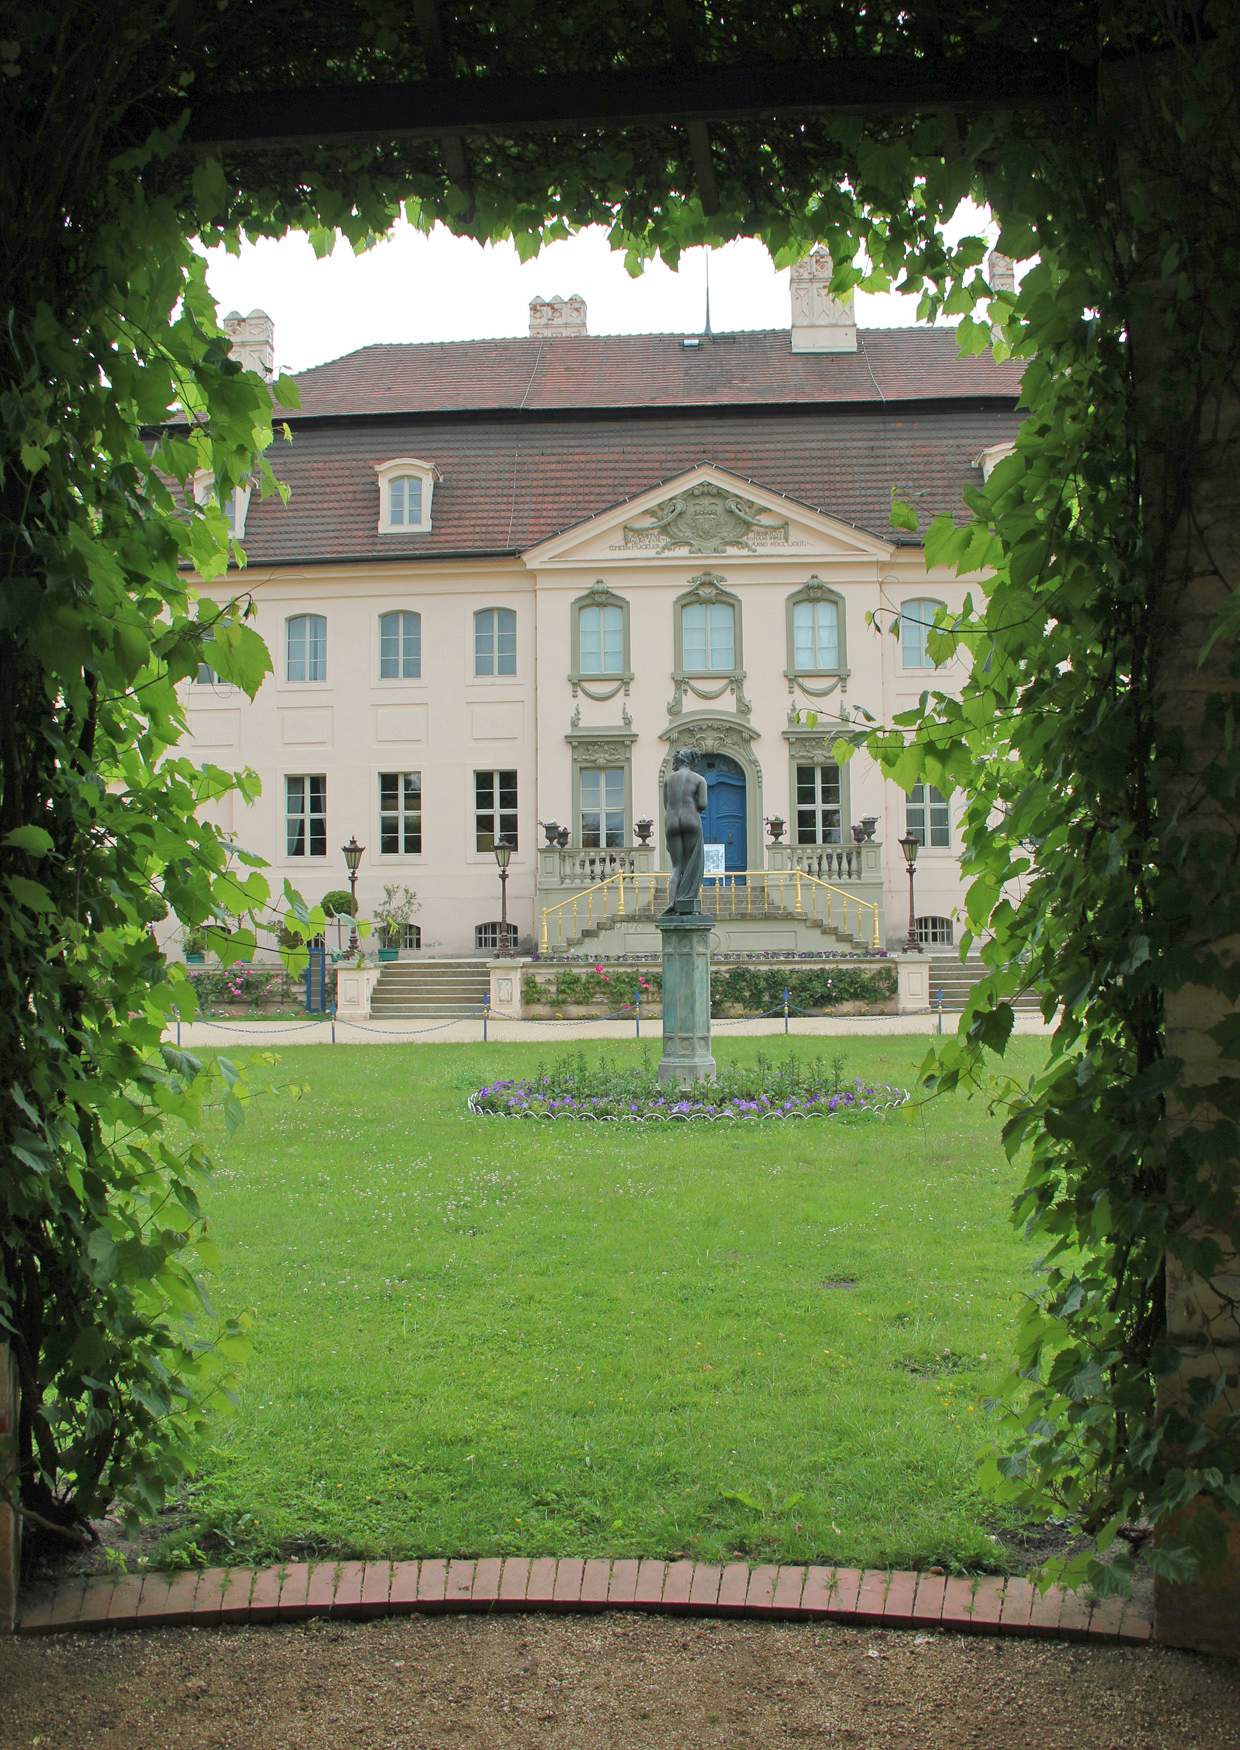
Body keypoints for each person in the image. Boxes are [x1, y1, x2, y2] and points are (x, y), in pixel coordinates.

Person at [662, 749, 708, 914]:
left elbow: (666, 805)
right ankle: (687, 902)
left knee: (676, 866)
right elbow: (702, 804)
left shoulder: (668, 780)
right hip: (690, 820)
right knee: (691, 864)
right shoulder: (699, 779)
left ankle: (671, 902)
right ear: (692, 762)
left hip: (672, 821)